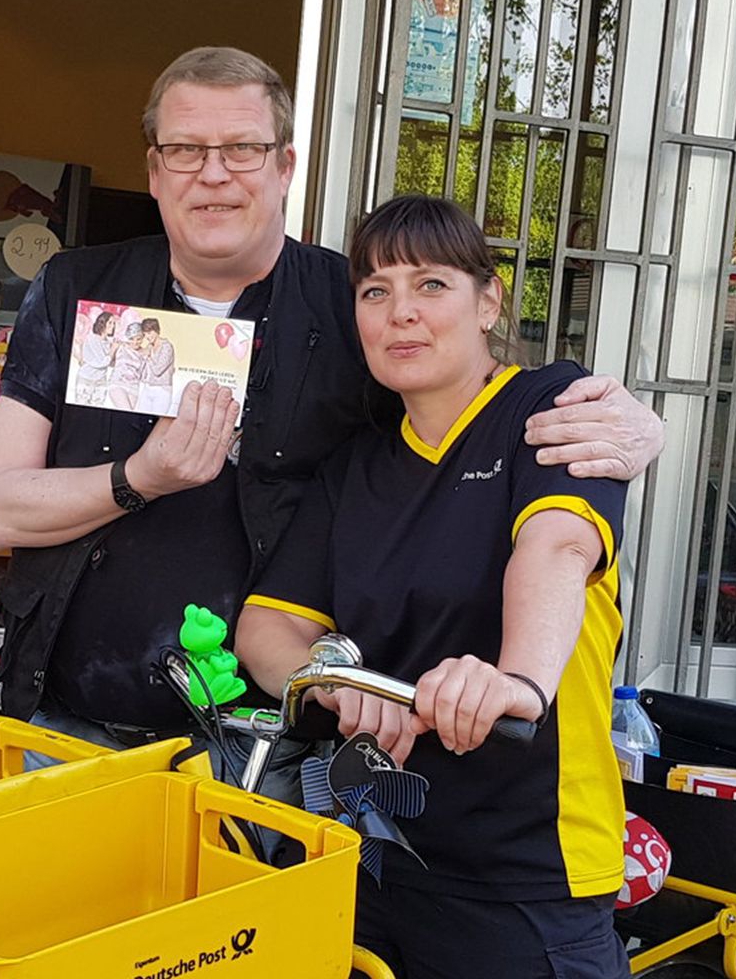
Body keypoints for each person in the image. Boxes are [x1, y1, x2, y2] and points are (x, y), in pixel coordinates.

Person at [0, 46, 662, 796]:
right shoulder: (77, 287)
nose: (213, 173)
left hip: (267, 750)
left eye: (242, 148)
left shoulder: (352, 303)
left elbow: (461, 411)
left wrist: (640, 425)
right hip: (66, 728)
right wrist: (140, 477)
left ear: (284, 166)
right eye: (185, 149)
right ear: (153, 171)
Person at [234, 195, 629, 977]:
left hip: (527, 872)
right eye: (375, 291)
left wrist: (517, 682)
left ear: (489, 301)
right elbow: (265, 629)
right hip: (381, 857)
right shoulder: (358, 467)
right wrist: (340, 682)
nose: (400, 313)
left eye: (431, 285)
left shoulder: (546, 408)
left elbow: (556, 548)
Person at [74, 308, 117, 402]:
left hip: (101, 381)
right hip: (86, 379)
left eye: (114, 323)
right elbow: (101, 363)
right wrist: (113, 349)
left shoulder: (108, 342)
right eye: (110, 323)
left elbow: (110, 364)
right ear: (102, 323)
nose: (113, 326)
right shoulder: (92, 339)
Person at [138, 316, 176, 415]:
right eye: (145, 334)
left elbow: (158, 370)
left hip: (162, 389)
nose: (147, 336)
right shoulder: (150, 346)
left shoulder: (167, 347)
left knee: (157, 421)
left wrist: (148, 357)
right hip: (147, 388)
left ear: (156, 331)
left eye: (149, 333)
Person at [108, 320, 146, 410]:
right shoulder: (121, 346)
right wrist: (113, 348)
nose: (135, 342)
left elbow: (144, 374)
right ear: (128, 337)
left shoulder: (144, 353)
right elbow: (109, 363)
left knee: (129, 415)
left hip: (134, 387)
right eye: (132, 339)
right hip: (118, 383)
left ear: (143, 337)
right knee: (126, 410)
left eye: (138, 339)